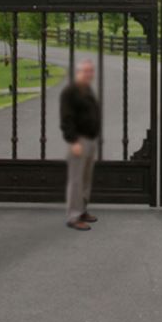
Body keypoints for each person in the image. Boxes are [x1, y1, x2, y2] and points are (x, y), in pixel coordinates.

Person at [59, 59, 101, 231]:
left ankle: (82, 210)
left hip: (90, 140)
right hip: (79, 141)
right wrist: (73, 140)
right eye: (86, 71)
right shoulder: (70, 92)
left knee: (86, 178)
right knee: (76, 180)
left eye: (91, 71)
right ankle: (73, 216)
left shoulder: (87, 90)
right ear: (78, 73)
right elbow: (66, 118)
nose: (89, 74)